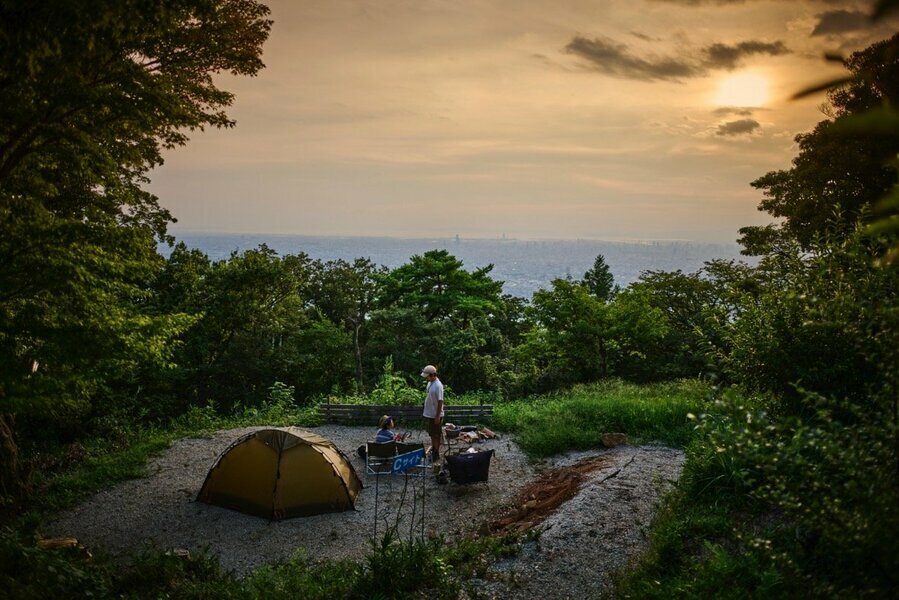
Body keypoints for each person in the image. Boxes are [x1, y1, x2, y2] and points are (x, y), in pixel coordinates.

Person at [421, 364, 444, 461]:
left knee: (436, 434)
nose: (426, 378)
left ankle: (436, 453)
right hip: (429, 413)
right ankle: (434, 449)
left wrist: (438, 416)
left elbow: (440, 401)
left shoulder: (438, 385)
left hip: (435, 414)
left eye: (427, 376)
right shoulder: (430, 383)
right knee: (431, 433)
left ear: (432, 375)